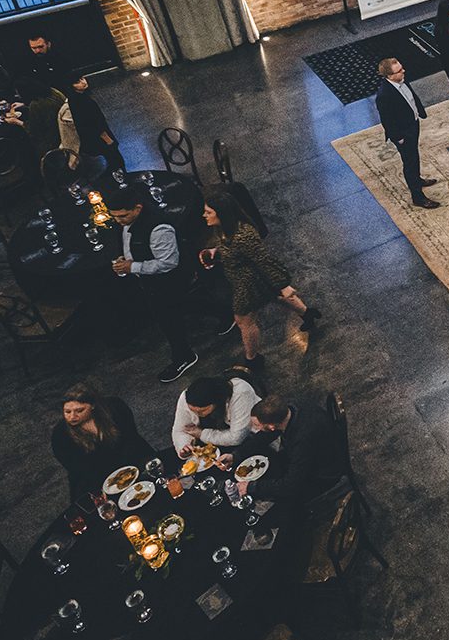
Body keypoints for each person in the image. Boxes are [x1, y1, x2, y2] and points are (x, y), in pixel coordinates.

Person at [200, 190, 317, 367]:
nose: (204, 215)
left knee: (244, 321)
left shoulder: (244, 236)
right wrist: (216, 251)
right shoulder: (224, 228)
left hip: (248, 283)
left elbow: (263, 260)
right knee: (277, 297)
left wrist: (283, 285)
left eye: (208, 212)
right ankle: (308, 315)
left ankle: (252, 359)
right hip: (249, 278)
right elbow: (230, 247)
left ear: (222, 213)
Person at [111, 184, 210, 384]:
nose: (118, 221)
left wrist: (133, 267)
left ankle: (184, 357)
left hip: (169, 281)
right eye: (114, 216)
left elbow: (168, 263)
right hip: (151, 281)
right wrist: (128, 258)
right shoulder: (129, 222)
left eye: (122, 216)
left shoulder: (159, 229)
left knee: (168, 319)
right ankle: (225, 314)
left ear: (137, 209)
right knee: (186, 304)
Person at [235, 393, 346, 505]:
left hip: (324, 473)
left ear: (271, 426)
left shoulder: (302, 440)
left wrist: (252, 487)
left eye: (257, 425)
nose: (255, 428)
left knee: (281, 503)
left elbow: (291, 485)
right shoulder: (288, 409)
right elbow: (266, 435)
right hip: (315, 453)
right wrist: (236, 455)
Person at [51, 382, 152, 501]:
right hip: (94, 478)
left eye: (79, 410)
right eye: (67, 412)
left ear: (92, 406)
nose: (72, 417)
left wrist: (128, 474)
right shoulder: (61, 435)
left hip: (130, 459)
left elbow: (131, 439)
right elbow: (79, 468)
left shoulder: (115, 408)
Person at [375, 56, 441, 209]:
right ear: (389, 76)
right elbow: (387, 121)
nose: (403, 71)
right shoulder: (384, 95)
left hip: (413, 124)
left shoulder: (401, 80)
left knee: (414, 156)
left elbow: (410, 98)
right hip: (403, 133)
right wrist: (399, 138)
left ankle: (417, 180)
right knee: (409, 163)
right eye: (399, 71)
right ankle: (418, 197)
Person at [171, 373, 260, 456]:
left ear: (216, 402)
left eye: (202, 411)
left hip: (251, 437)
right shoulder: (185, 398)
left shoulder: (241, 394)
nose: (198, 414)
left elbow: (237, 437)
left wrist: (201, 434)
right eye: (193, 410)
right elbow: (180, 430)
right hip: (214, 441)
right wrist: (184, 446)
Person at [64, 75, 125, 173]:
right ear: (71, 87)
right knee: (115, 159)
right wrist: (107, 139)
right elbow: (93, 123)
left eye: (82, 78)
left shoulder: (78, 98)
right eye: (77, 82)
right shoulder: (80, 101)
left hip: (95, 136)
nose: (83, 82)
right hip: (99, 136)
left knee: (112, 159)